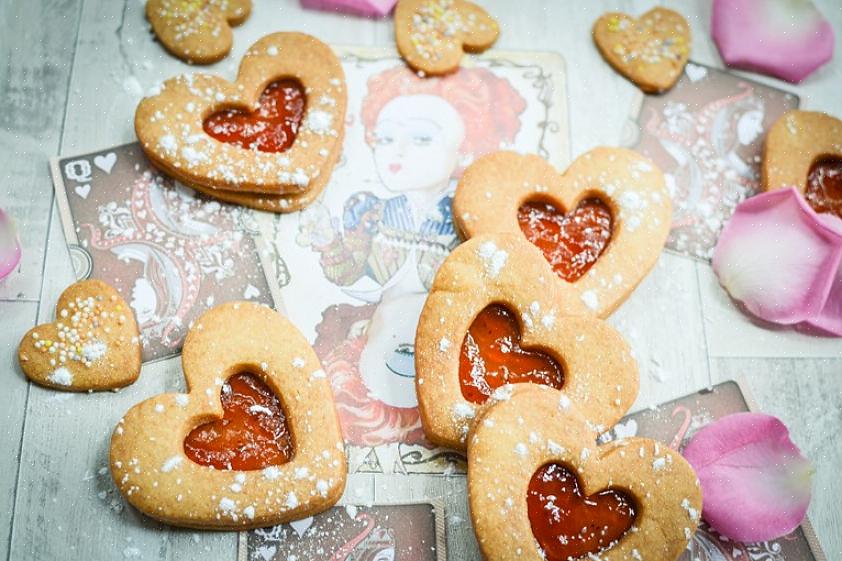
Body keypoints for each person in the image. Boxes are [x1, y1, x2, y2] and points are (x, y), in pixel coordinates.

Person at [298, 65, 526, 462]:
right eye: (384, 139)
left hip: (445, 345)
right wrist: (328, 243)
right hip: (375, 336)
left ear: (466, 148)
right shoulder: (372, 212)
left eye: (420, 138)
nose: (396, 152)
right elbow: (353, 273)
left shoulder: (473, 221)